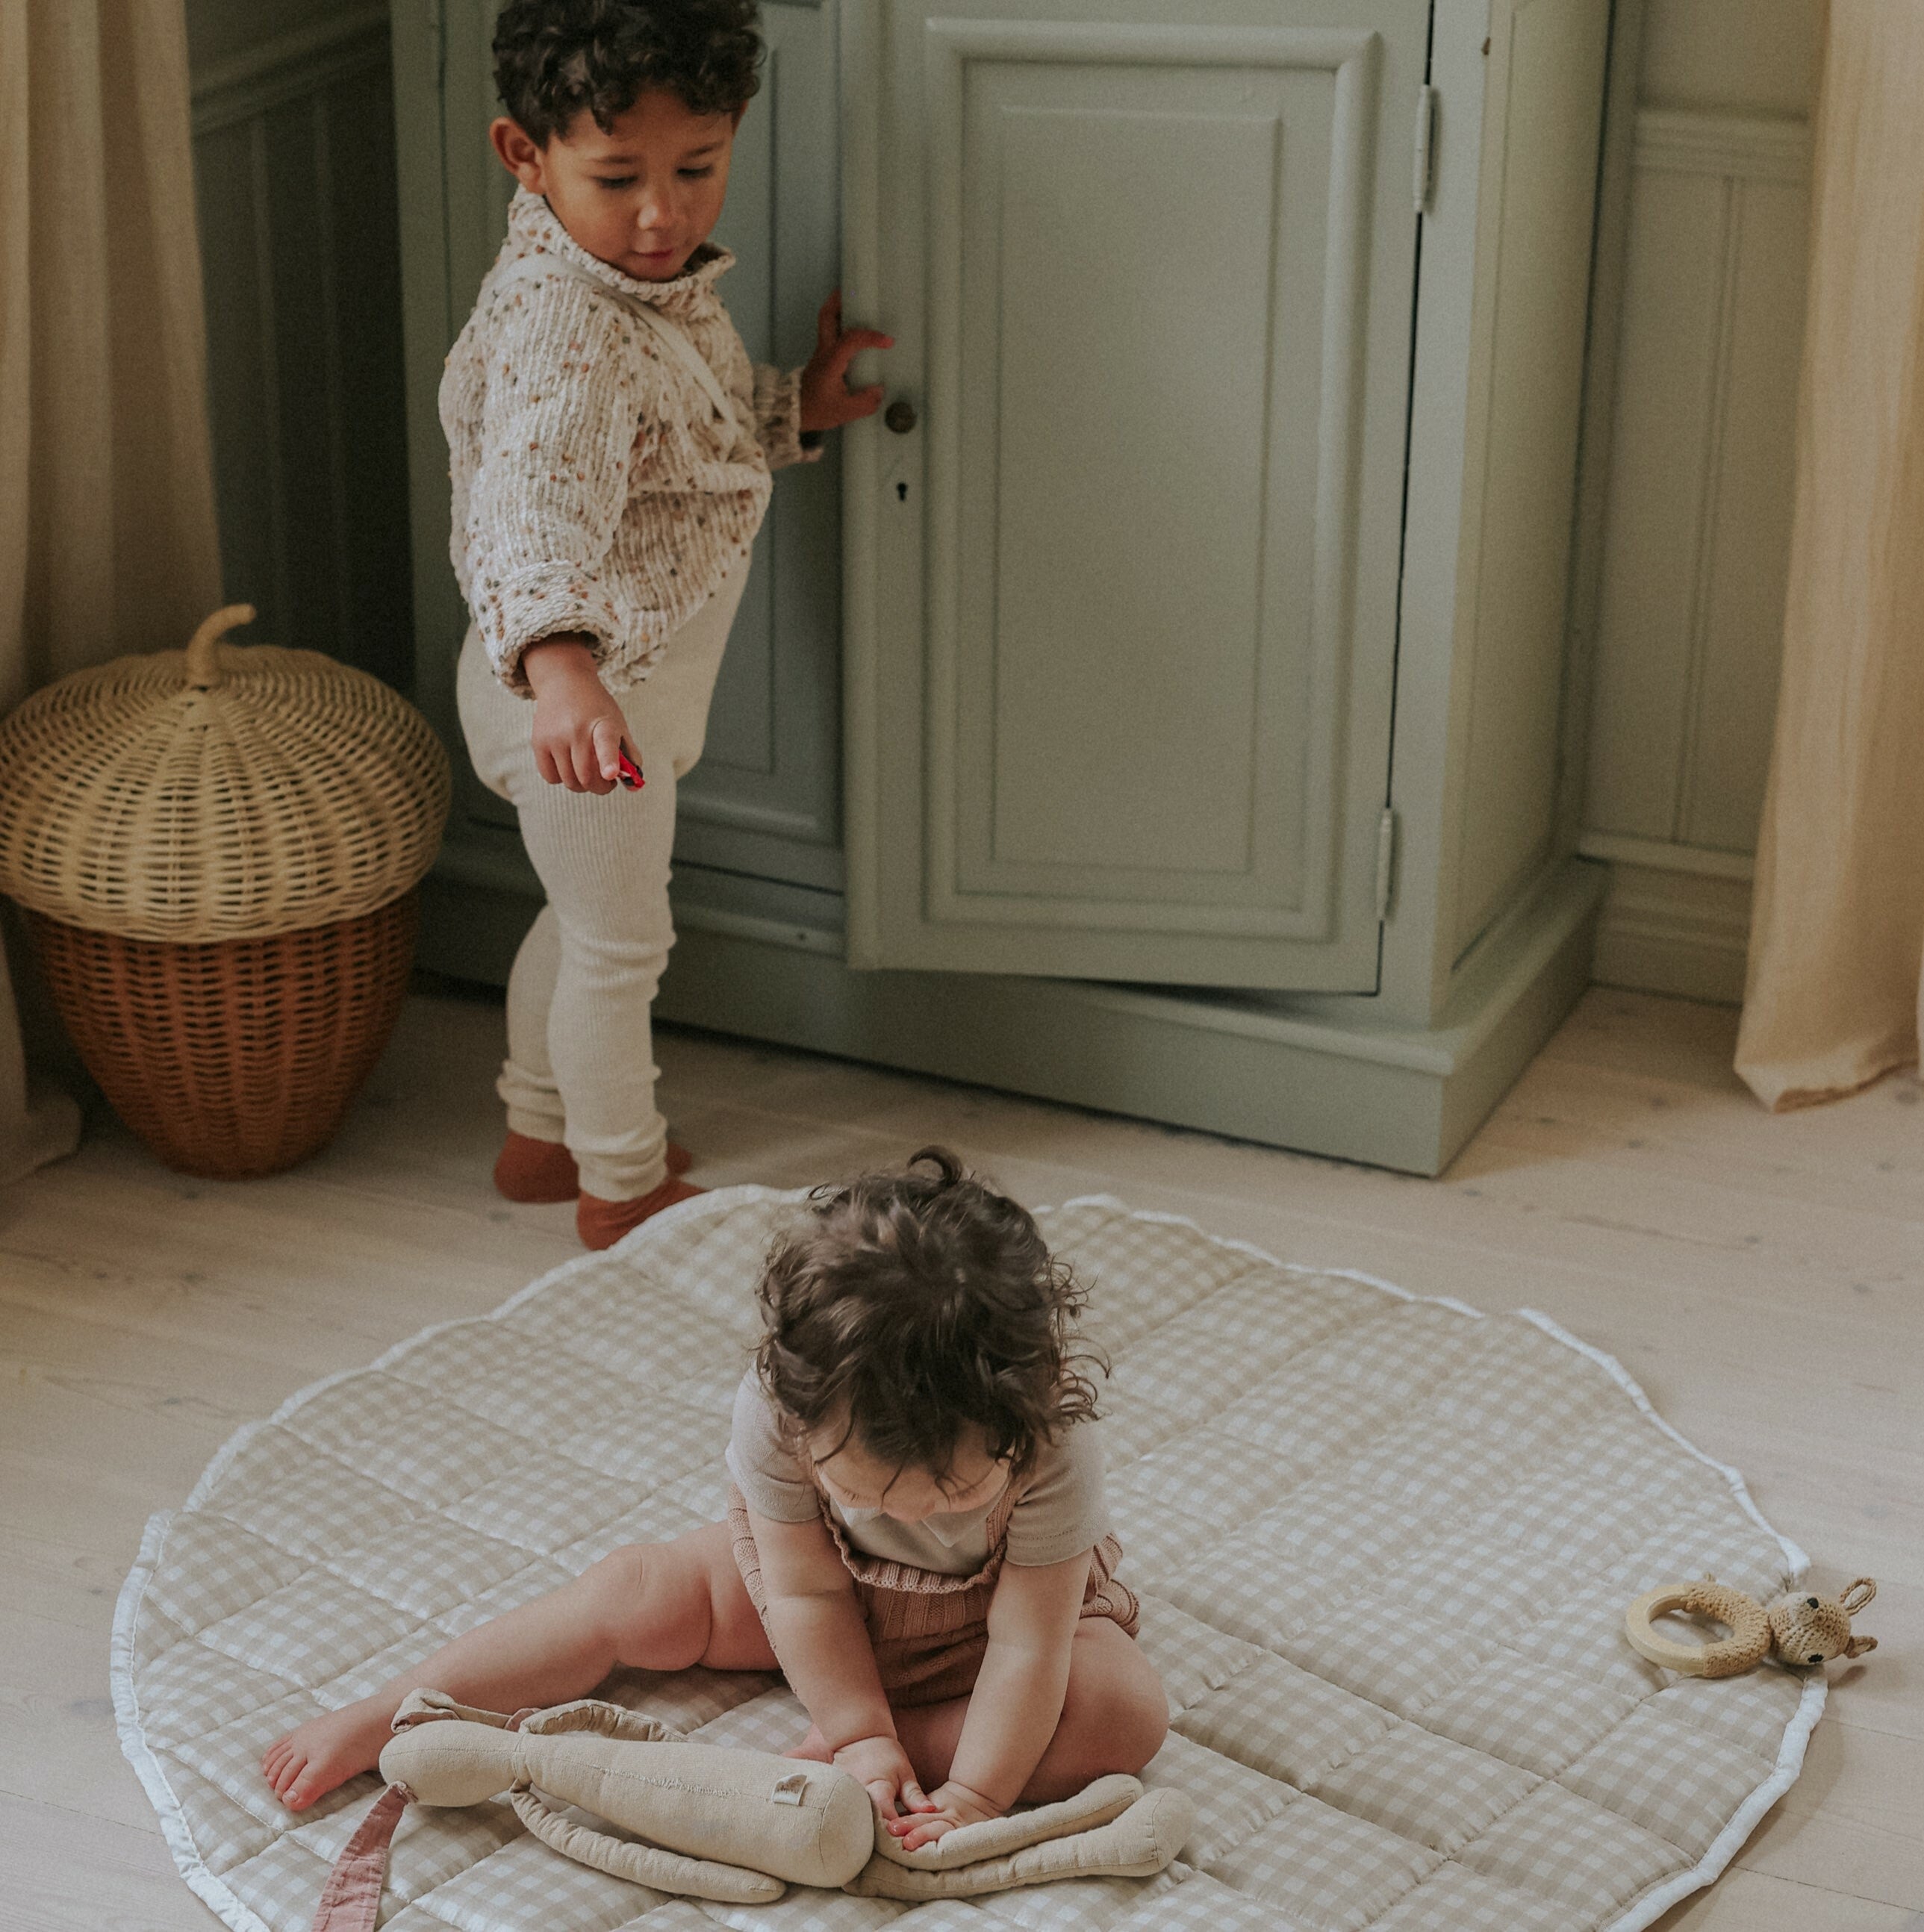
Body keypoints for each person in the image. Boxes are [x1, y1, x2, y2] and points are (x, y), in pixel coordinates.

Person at [262, 1150, 1169, 1846]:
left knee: (1124, 1708)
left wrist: (974, 1796)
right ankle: (397, 1708)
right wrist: (854, 1733)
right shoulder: (779, 1408)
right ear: (802, 1412)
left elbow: (1026, 1644)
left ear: (1029, 1401)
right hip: (816, 1598)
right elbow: (806, 1590)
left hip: (990, 1633)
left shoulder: (1051, 1438)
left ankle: (924, 1741)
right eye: (868, 1492)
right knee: (632, 1590)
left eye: (958, 1493)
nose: (916, 1519)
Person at [450, 0, 889, 1249]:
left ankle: (538, 1130)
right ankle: (622, 1184)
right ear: (522, 155)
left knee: (578, 920)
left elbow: (673, 445)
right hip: (582, 709)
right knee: (621, 946)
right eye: (619, 178)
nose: (662, 214)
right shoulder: (565, 331)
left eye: (696, 170)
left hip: (598, 697)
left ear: (733, 133)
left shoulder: (623, 281)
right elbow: (529, 505)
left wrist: (790, 403)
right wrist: (564, 667)